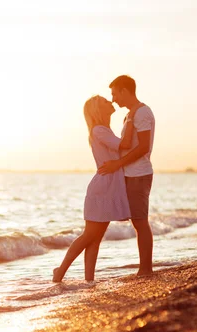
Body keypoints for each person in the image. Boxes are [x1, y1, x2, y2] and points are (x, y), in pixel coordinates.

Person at [52, 95, 140, 282]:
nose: (110, 101)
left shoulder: (103, 130)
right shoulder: (99, 130)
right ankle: (60, 271)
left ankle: (89, 280)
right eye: (104, 101)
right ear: (98, 110)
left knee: (95, 237)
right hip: (103, 188)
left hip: (108, 187)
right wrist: (131, 118)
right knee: (90, 235)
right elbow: (124, 145)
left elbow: (120, 148)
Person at [98, 75, 155, 276]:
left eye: (114, 93)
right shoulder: (130, 115)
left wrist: (117, 164)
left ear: (124, 90)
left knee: (140, 222)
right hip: (130, 174)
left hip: (139, 174)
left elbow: (143, 147)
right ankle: (144, 268)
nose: (113, 99)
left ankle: (146, 270)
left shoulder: (142, 112)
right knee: (137, 222)